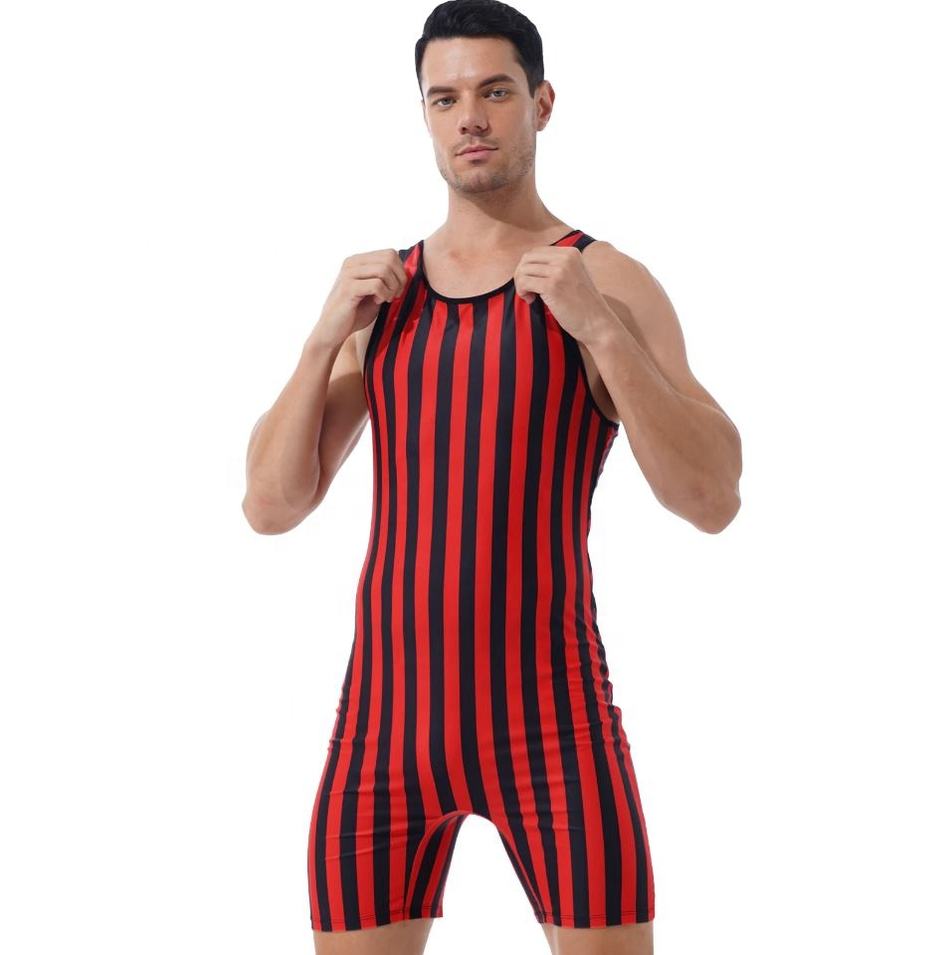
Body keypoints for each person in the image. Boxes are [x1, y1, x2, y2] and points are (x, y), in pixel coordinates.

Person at [242, 2, 742, 952]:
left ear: (541, 104)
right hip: (383, 732)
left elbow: (713, 497)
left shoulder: (604, 279)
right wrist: (319, 344)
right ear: (426, 115)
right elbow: (271, 506)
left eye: (495, 92)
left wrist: (602, 333)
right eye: (446, 98)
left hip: (554, 731)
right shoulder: (384, 296)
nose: (470, 117)